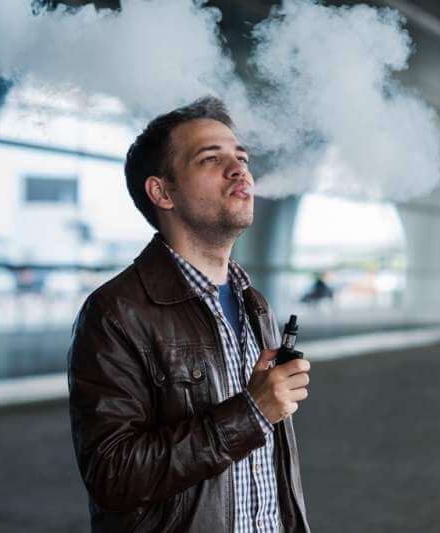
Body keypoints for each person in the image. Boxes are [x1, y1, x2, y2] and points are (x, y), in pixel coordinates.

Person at [67, 96, 311, 532]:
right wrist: (251, 413)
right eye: (210, 159)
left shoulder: (255, 303)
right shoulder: (116, 313)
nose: (239, 170)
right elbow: (112, 475)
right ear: (162, 192)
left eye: (241, 157)